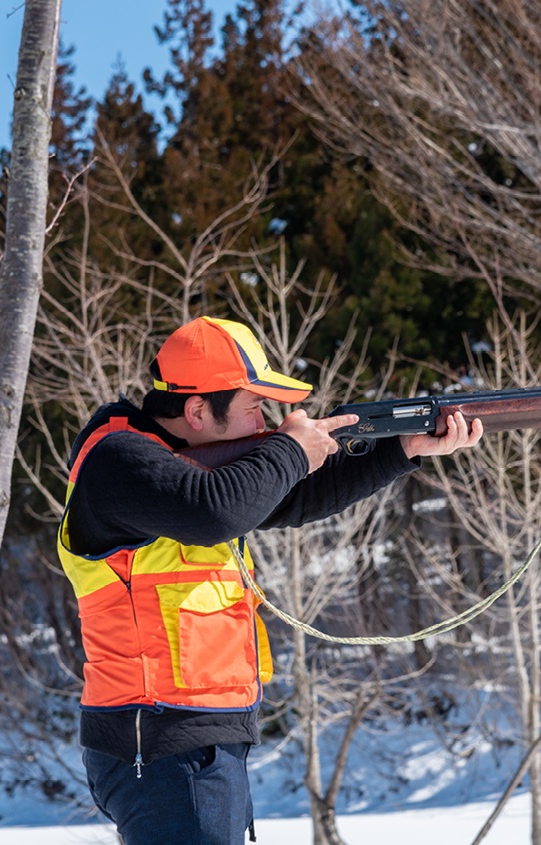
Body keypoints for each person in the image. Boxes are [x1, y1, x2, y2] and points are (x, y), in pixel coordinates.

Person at [57, 316, 482, 844]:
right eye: (254, 407)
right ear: (196, 411)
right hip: (162, 744)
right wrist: (289, 450)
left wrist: (405, 449)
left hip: (191, 742)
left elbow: (292, 495)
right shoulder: (119, 461)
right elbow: (218, 511)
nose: (267, 422)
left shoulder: (180, 466)